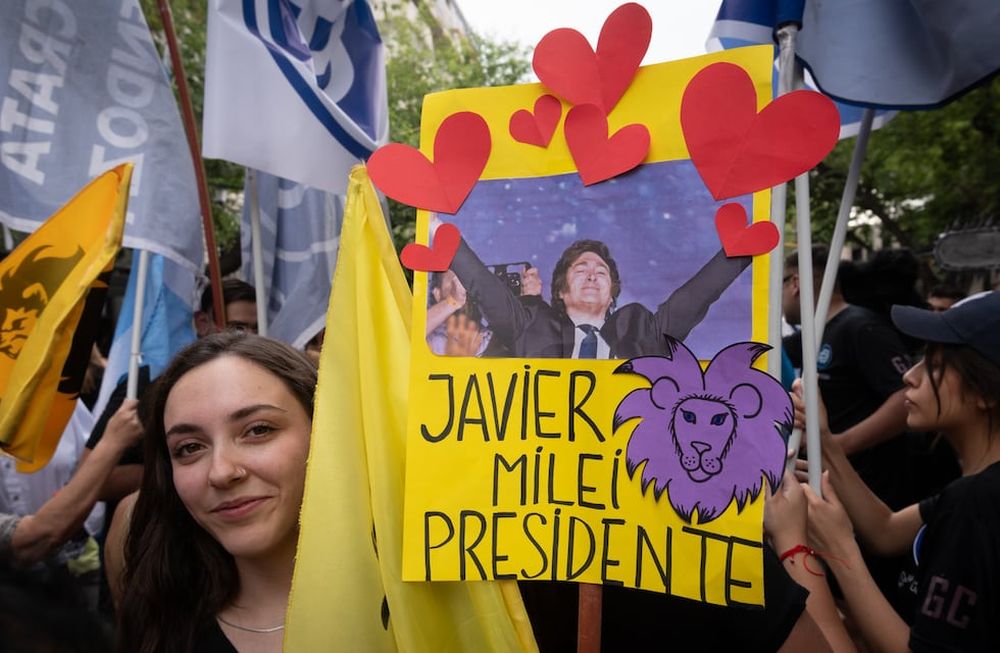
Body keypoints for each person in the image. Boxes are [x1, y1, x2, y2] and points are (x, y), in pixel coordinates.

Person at [791, 291, 1000, 651]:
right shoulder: (972, 487)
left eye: (934, 365)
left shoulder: (979, 503)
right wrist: (825, 440)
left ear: (986, 392)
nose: (910, 377)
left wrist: (834, 548)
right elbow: (885, 532)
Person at [117, 332, 315, 653]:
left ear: (323, 429)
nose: (221, 472)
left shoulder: (411, 608)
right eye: (190, 448)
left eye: (258, 430)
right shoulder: (159, 624)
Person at [433, 216, 750, 359]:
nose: (592, 274)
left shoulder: (640, 329)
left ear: (612, 292)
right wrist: (437, 230)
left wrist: (737, 254)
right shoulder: (531, 327)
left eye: (601, 271)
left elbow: (694, 299)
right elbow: (485, 286)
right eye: (580, 268)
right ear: (561, 291)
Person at [83, 278, 259, 505]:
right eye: (237, 328)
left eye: (257, 328)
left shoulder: (264, 384)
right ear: (203, 323)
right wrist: (177, 470)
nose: (250, 338)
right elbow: (93, 480)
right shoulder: (149, 382)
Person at [0, 401, 141, 567]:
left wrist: (81, 528)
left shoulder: (60, 400)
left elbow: (87, 462)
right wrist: (112, 443)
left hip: (75, 567)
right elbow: (33, 540)